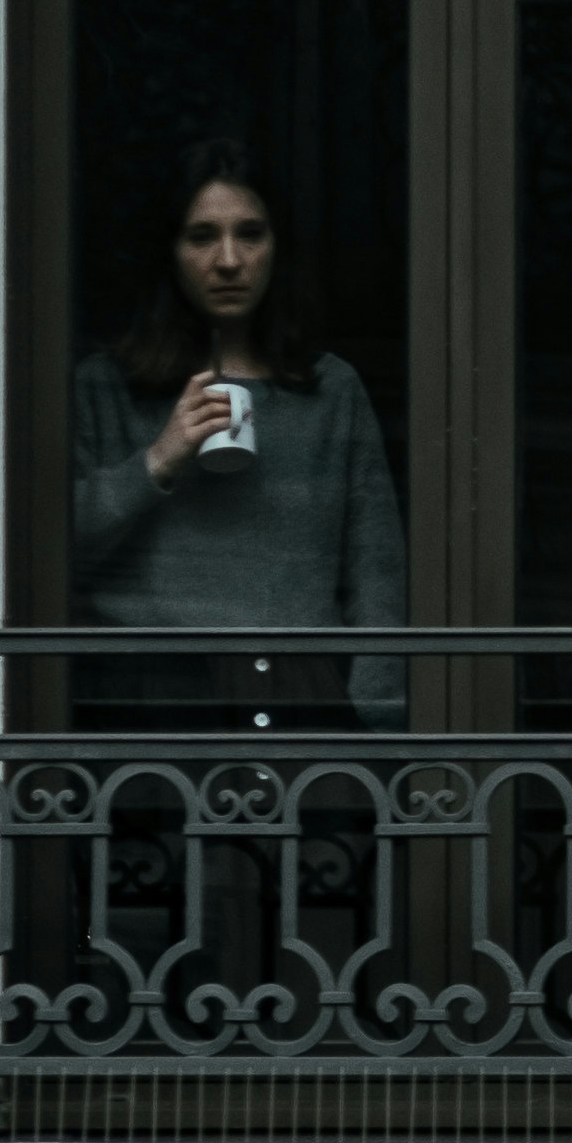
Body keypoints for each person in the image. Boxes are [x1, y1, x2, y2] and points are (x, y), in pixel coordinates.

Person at [67, 143, 407, 725]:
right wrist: (156, 461)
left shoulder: (330, 390)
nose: (229, 260)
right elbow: (50, 551)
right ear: (169, 254)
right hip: (149, 690)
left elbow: (377, 580)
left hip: (302, 687)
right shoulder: (108, 385)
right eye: (202, 237)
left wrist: (374, 729)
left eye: (250, 234)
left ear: (278, 249)